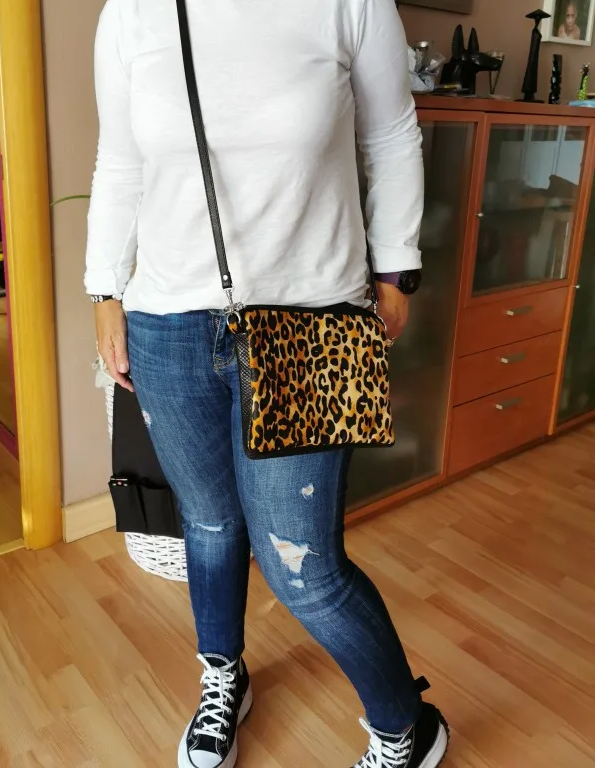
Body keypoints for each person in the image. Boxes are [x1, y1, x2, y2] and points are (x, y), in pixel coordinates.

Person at [86, 0, 448, 766]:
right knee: (208, 525)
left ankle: (408, 729)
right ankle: (224, 675)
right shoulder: (131, 13)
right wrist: (105, 289)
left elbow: (391, 135)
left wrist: (397, 270)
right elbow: (119, 161)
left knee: (303, 566)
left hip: (310, 323)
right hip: (166, 324)